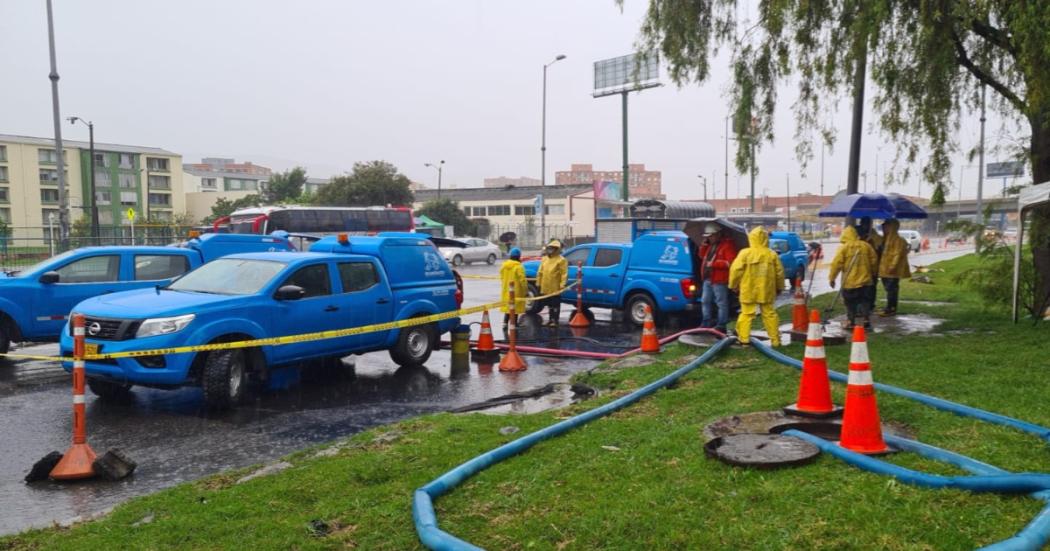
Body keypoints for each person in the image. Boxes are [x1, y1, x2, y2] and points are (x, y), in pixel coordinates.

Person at [728, 226, 785, 346]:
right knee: (769, 314)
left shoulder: (745, 253)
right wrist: (780, 287)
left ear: (751, 238)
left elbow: (735, 270)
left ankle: (744, 340)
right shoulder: (771, 254)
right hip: (767, 288)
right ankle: (775, 340)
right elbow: (779, 273)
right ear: (765, 239)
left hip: (748, 288)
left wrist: (733, 285)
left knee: (746, 314)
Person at [829, 226, 879, 329]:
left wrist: (832, 278)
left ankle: (850, 321)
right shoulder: (866, 246)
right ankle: (866, 320)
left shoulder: (844, 248)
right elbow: (874, 261)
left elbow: (836, 264)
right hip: (866, 281)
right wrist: (874, 273)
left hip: (850, 282)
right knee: (865, 301)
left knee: (850, 303)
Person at [698, 224, 738, 333]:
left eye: (711, 236)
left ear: (718, 234)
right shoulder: (710, 245)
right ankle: (706, 322)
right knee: (705, 301)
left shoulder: (728, 245)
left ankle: (721, 325)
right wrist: (704, 246)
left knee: (721, 302)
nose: (709, 238)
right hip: (708, 278)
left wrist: (715, 264)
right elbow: (701, 256)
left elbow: (731, 263)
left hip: (719, 280)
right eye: (708, 236)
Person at [877, 219, 911, 316]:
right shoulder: (885, 239)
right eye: (883, 226)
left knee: (892, 289)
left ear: (892, 227)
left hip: (892, 271)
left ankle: (891, 308)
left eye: (886, 226)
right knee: (888, 289)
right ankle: (889, 306)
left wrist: (892, 266)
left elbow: (897, 255)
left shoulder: (898, 240)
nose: (884, 228)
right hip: (884, 270)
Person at [536, 239, 568, 326]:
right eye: (549, 248)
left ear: (556, 249)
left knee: (555, 304)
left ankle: (555, 320)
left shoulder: (561, 260)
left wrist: (562, 285)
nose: (550, 250)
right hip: (545, 286)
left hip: (555, 287)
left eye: (552, 248)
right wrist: (538, 284)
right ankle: (550, 319)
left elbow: (564, 274)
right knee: (549, 304)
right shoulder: (544, 259)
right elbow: (540, 272)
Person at [856, 217, 884, 313]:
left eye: (868, 223)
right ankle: (862, 307)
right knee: (862, 287)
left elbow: (878, 249)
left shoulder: (874, 235)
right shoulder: (857, 232)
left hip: (871, 266)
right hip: (861, 264)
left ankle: (869, 306)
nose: (866, 225)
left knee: (870, 288)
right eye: (864, 223)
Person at [499, 247, 528, 331]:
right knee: (515, 309)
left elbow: (501, 277)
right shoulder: (519, 267)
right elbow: (523, 280)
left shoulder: (504, 266)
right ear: (519, 256)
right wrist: (525, 291)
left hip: (506, 290)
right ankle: (514, 324)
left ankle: (505, 323)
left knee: (508, 308)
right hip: (516, 291)